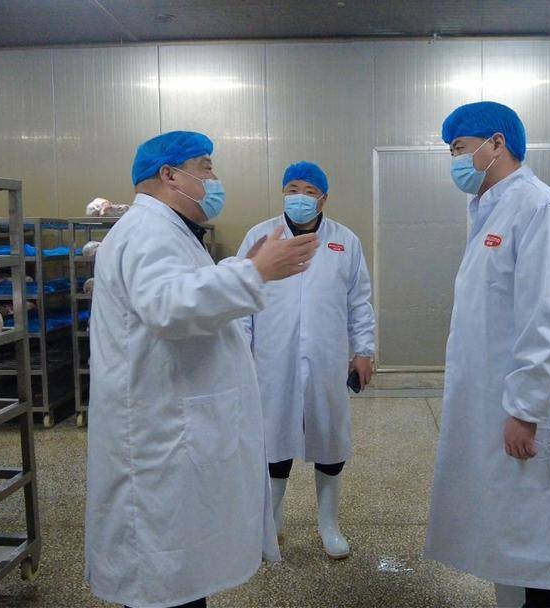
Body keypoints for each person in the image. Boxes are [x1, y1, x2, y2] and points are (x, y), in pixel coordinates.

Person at [85, 131, 320, 608]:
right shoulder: (148, 231)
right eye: (206, 167)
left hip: (173, 427)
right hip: (158, 437)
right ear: (170, 175)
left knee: (180, 575)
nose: (214, 180)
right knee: (161, 580)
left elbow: (182, 290)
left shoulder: (169, 231)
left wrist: (242, 267)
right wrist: (254, 272)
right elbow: (169, 306)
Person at [424, 102, 550, 608]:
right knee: (506, 536)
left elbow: (548, 320)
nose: (455, 161)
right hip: (495, 404)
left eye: (460, 148)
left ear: (497, 143)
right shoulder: (491, 209)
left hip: (530, 411)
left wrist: (526, 410)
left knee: (538, 542)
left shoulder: (541, 209)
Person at [236, 161, 376, 560]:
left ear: (324, 199)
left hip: (327, 358)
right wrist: (241, 353)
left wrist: (363, 350)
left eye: (310, 191)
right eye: (292, 189)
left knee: (329, 438)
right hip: (271, 358)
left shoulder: (345, 241)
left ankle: (328, 524)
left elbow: (359, 301)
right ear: (283, 193)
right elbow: (242, 297)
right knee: (273, 438)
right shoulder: (260, 236)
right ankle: (272, 521)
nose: (300, 197)